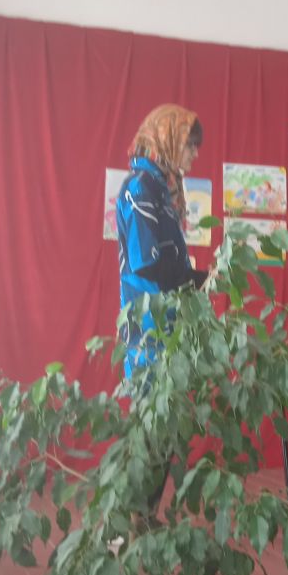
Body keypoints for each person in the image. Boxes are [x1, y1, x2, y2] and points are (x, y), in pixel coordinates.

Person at [116, 103, 208, 379]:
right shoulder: (140, 187)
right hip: (148, 331)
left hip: (168, 324)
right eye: (190, 145)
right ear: (168, 139)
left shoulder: (162, 187)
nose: (195, 153)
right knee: (154, 403)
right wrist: (197, 279)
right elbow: (145, 262)